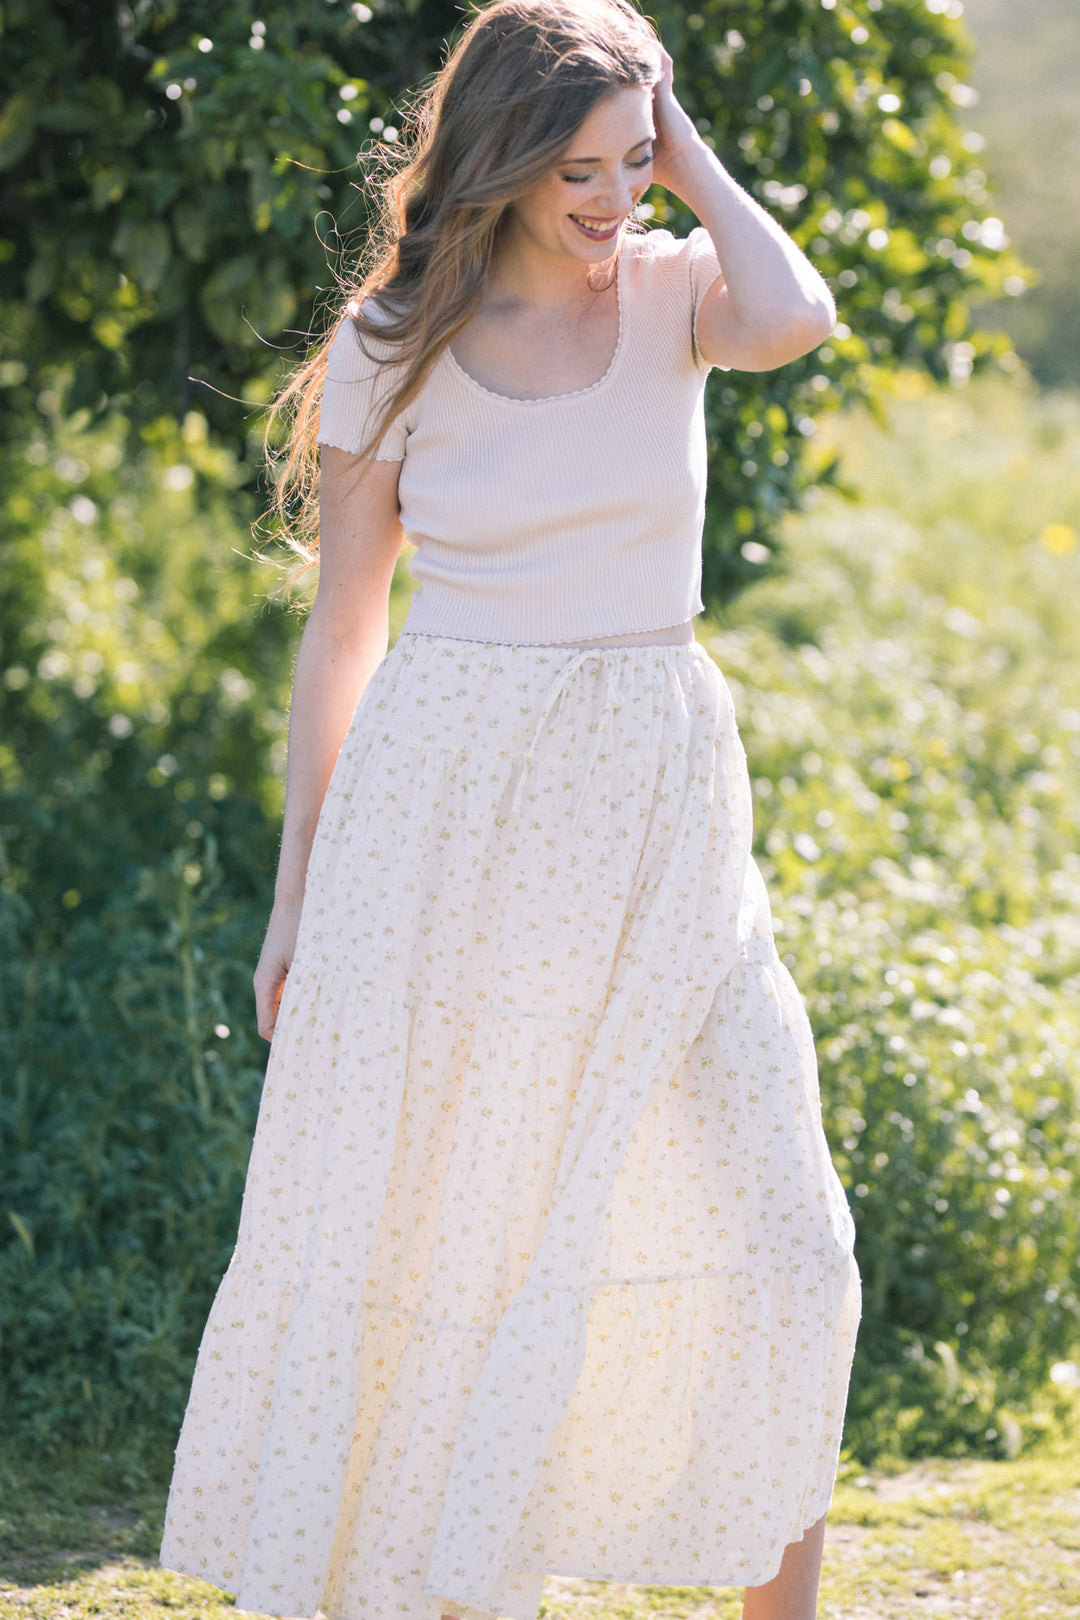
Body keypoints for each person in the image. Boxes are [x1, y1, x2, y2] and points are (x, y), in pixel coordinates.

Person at [157, 4, 861, 1620]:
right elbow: (344, 634)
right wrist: (295, 900)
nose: (612, 200)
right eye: (579, 169)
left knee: (787, 1238)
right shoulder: (389, 341)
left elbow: (799, 311)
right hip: (452, 812)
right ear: (499, 157)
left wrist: (678, 144)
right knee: (453, 1243)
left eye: (634, 166)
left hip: (661, 814)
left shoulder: (680, 296)